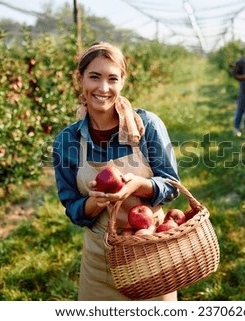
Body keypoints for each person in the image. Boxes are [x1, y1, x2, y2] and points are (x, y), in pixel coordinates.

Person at [52, 42, 180, 301]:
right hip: (101, 261)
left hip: (151, 249)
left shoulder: (147, 126)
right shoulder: (67, 140)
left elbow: (171, 186)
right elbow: (72, 208)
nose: (103, 88)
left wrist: (139, 186)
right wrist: (93, 203)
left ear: (122, 81)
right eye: (94, 77)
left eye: (112, 78)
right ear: (80, 79)